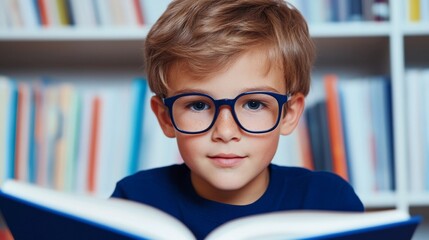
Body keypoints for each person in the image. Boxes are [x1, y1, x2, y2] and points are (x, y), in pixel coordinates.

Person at [111, 0, 364, 239]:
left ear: (289, 114)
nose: (225, 131)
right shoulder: (135, 201)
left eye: (253, 104)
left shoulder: (328, 202)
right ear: (165, 117)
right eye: (198, 105)